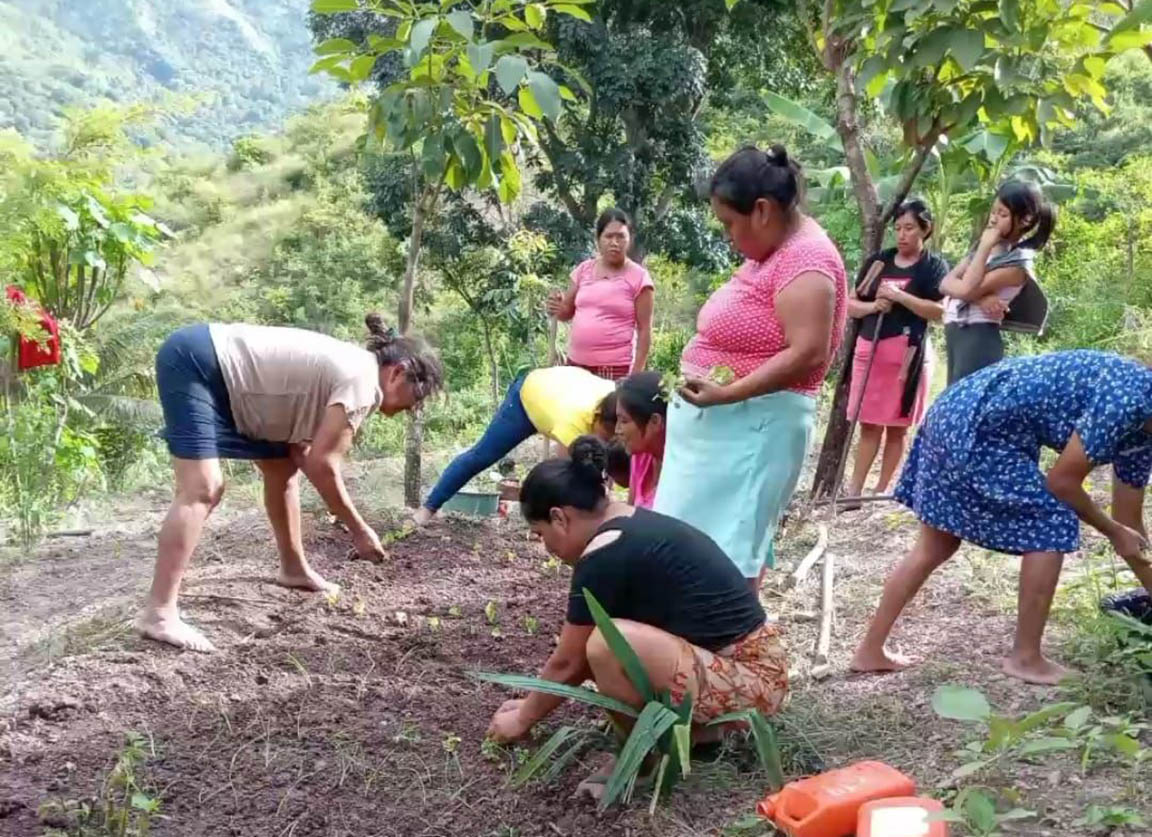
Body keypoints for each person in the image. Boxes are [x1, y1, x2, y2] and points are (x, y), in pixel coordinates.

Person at [486, 437, 788, 790]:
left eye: (540, 534)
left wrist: (523, 719)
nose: (545, 547)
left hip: (753, 684)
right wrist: (532, 704)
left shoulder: (605, 553)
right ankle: (697, 733)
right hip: (747, 671)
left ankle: (642, 760)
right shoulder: (627, 524)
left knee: (607, 644)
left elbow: (570, 662)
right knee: (603, 641)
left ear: (559, 517)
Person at [140, 315, 444, 652]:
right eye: (417, 395)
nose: (413, 407)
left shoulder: (356, 370)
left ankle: (293, 568)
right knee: (203, 488)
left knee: (282, 468)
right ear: (397, 372)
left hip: (220, 370)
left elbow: (302, 453)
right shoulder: (363, 385)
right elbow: (323, 465)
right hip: (199, 363)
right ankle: (160, 613)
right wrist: (359, 530)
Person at [851, 350, 1152, 685]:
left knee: (936, 546)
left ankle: (870, 651)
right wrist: (1111, 530)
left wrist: (1135, 558)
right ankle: (1026, 658)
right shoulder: (1128, 398)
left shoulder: (1143, 433)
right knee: (1051, 521)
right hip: (978, 423)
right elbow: (1063, 482)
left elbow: (1130, 524)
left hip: (958, 412)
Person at [654, 144, 847, 588]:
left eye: (729, 223)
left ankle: (729, 634)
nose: (728, 236)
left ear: (762, 210)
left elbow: (809, 352)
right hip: (726, 435)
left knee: (729, 561)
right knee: (694, 556)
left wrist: (729, 394)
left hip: (755, 433)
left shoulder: (808, 259)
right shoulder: (780, 251)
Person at [412, 366, 619, 524]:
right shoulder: (572, 421)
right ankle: (428, 508)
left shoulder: (620, 402)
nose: (607, 441)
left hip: (559, 392)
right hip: (527, 397)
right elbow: (567, 475)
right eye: (605, 435)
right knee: (482, 455)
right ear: (597, 417)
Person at [846, 200, 948, 500]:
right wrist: (873, 307)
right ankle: (854, 490)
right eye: (898, 228)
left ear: (925, 229)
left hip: (907, 355)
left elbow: (940, 312)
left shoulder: (933, 267)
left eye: (909, 228)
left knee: (897, 426)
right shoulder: (879, 262)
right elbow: (851, 303)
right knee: (868, 423)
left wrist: (900, 297)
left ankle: (881, 491)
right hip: (871, 349)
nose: (902, 235)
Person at [940, 180, 1056, 384]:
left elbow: (966, 288)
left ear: (1025, 220)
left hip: (978, 337)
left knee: (967, 399)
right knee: (953, 398)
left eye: (1002, 214)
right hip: (956, 332)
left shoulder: (1017, 264)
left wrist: (984, 248)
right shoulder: (981, 250)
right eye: (993, 212)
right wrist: (982, 297)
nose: (993, 219)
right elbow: (945, 284)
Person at [546, 208, 655, 381]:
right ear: (598, 240)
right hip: (575, 367)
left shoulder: (639, 278)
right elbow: (566, 312)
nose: (615, 243)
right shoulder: (583, 270)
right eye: (609, 236)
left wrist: (635, 378)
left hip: (615, 371)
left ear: (630, 239)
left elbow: (644, 331)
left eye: (621, 237)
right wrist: (556, 307)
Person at [614, 372, 667, 509]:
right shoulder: (640, 457)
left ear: (655, 421)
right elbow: (631, 513)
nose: (617, 430)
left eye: (624, 421)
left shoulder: (681, 473)